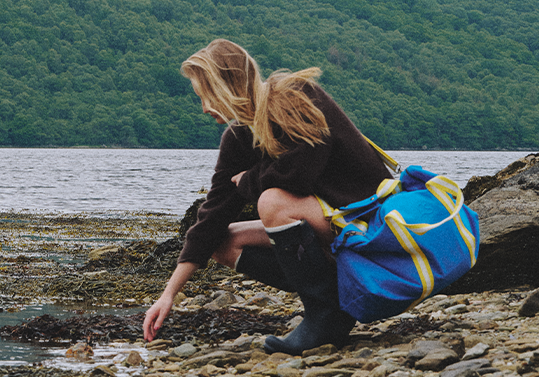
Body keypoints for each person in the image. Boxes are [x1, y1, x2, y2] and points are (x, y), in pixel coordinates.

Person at [142, 39, 389, 354]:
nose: (203, 107)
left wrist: (248, 180)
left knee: (272, 203)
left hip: (370, 222)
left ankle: (324, 313)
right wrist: (168, 295)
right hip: (334, 224)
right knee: (223, 241)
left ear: (223, 85)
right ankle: (335, 300)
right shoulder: (238, 138)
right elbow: (212, 216)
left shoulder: (296, 96)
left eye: (203, 96)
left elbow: (299, 175)